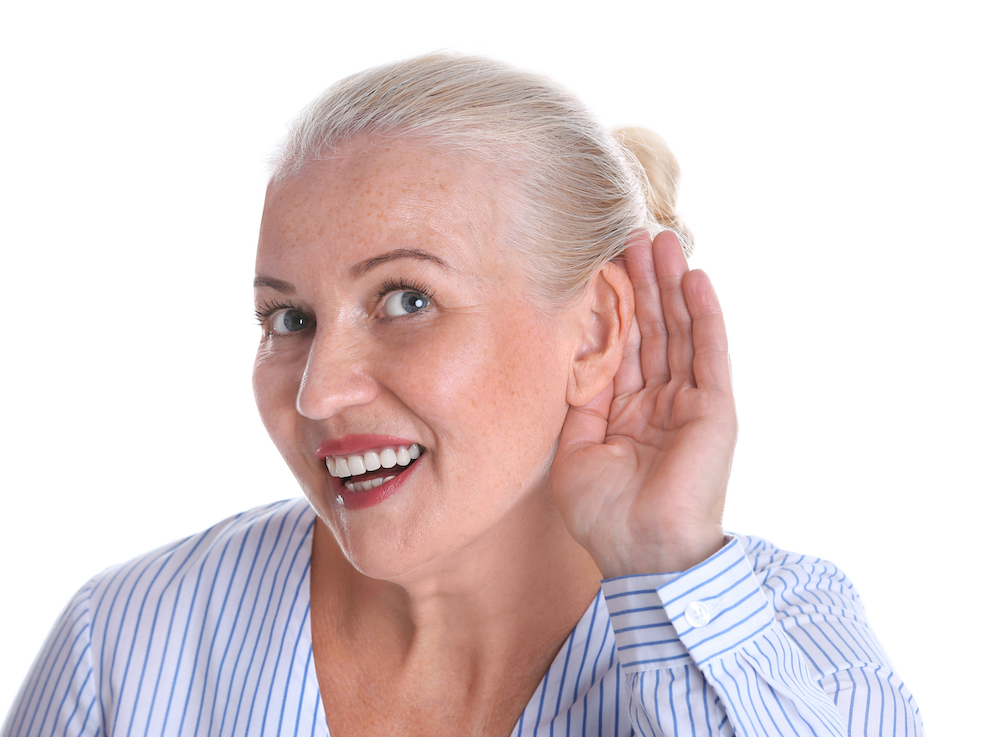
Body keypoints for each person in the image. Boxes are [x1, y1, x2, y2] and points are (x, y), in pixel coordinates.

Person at [2, 53, 922, 736]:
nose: (321, 393)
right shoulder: (123, 646)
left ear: (597, 329)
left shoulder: (792, 646)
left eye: (408, 300)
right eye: (288, 319)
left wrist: (666, 566)